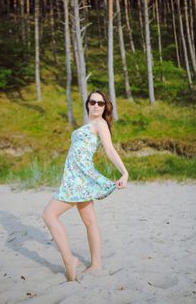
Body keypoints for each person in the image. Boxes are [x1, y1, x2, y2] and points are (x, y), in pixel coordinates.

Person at [42, 89, 129, 281]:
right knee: (90, 221)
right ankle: (96, 265)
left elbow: (109, 149)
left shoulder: (100, 123)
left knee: (49, 215)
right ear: (87, 104)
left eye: (100, 103)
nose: (96, 106)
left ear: (105, 106)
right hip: (75, 177)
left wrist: (124, 171)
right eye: (92, 102)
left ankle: (69, 260)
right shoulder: (89, 124)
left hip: (79, 180)